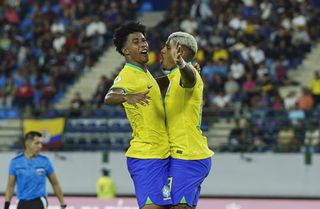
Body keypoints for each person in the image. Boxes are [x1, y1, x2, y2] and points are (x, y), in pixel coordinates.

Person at [104, 21, 172, 209]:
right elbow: (109, 97)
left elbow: (153, 87)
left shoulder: (145, 73)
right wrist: (126, 96)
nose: (143, 44)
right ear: (125, 50)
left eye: (144, 40)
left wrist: (176, 76)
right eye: (136, 41)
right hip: (147, 158)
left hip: (162, 155)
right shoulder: (128, 74)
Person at [160, 32, 214, 208]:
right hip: (179, 157)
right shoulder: (173, 77)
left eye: (167, 48)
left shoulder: (189, 75)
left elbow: (190, 78)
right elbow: (150, 85)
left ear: (180, 53)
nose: (161, 51)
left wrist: (182, 64)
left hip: (187, 156)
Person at [4, 131, 66, 209]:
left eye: (41, 143)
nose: (40, 146)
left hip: (39, 201)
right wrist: (7, 205)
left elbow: (55, 183)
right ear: (28, 144)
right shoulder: (15, 162)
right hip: (22, 202)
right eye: (37, 143)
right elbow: (10, 186)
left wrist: (62, 203)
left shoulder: (45, 161)